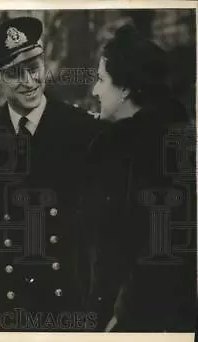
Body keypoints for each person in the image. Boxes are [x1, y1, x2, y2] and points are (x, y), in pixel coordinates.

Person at [0, 16, 104, 331]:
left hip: (67, 300)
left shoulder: (84, 130)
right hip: (2, 305)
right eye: (14, 73)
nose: (28, 80)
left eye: (34, 67)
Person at [81, 24, 196, 332]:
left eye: (101, 80)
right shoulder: (119, 144)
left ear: (126, 88)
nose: (95, 90)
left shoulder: (164, 152)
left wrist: (123, 317)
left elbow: (163, 248)